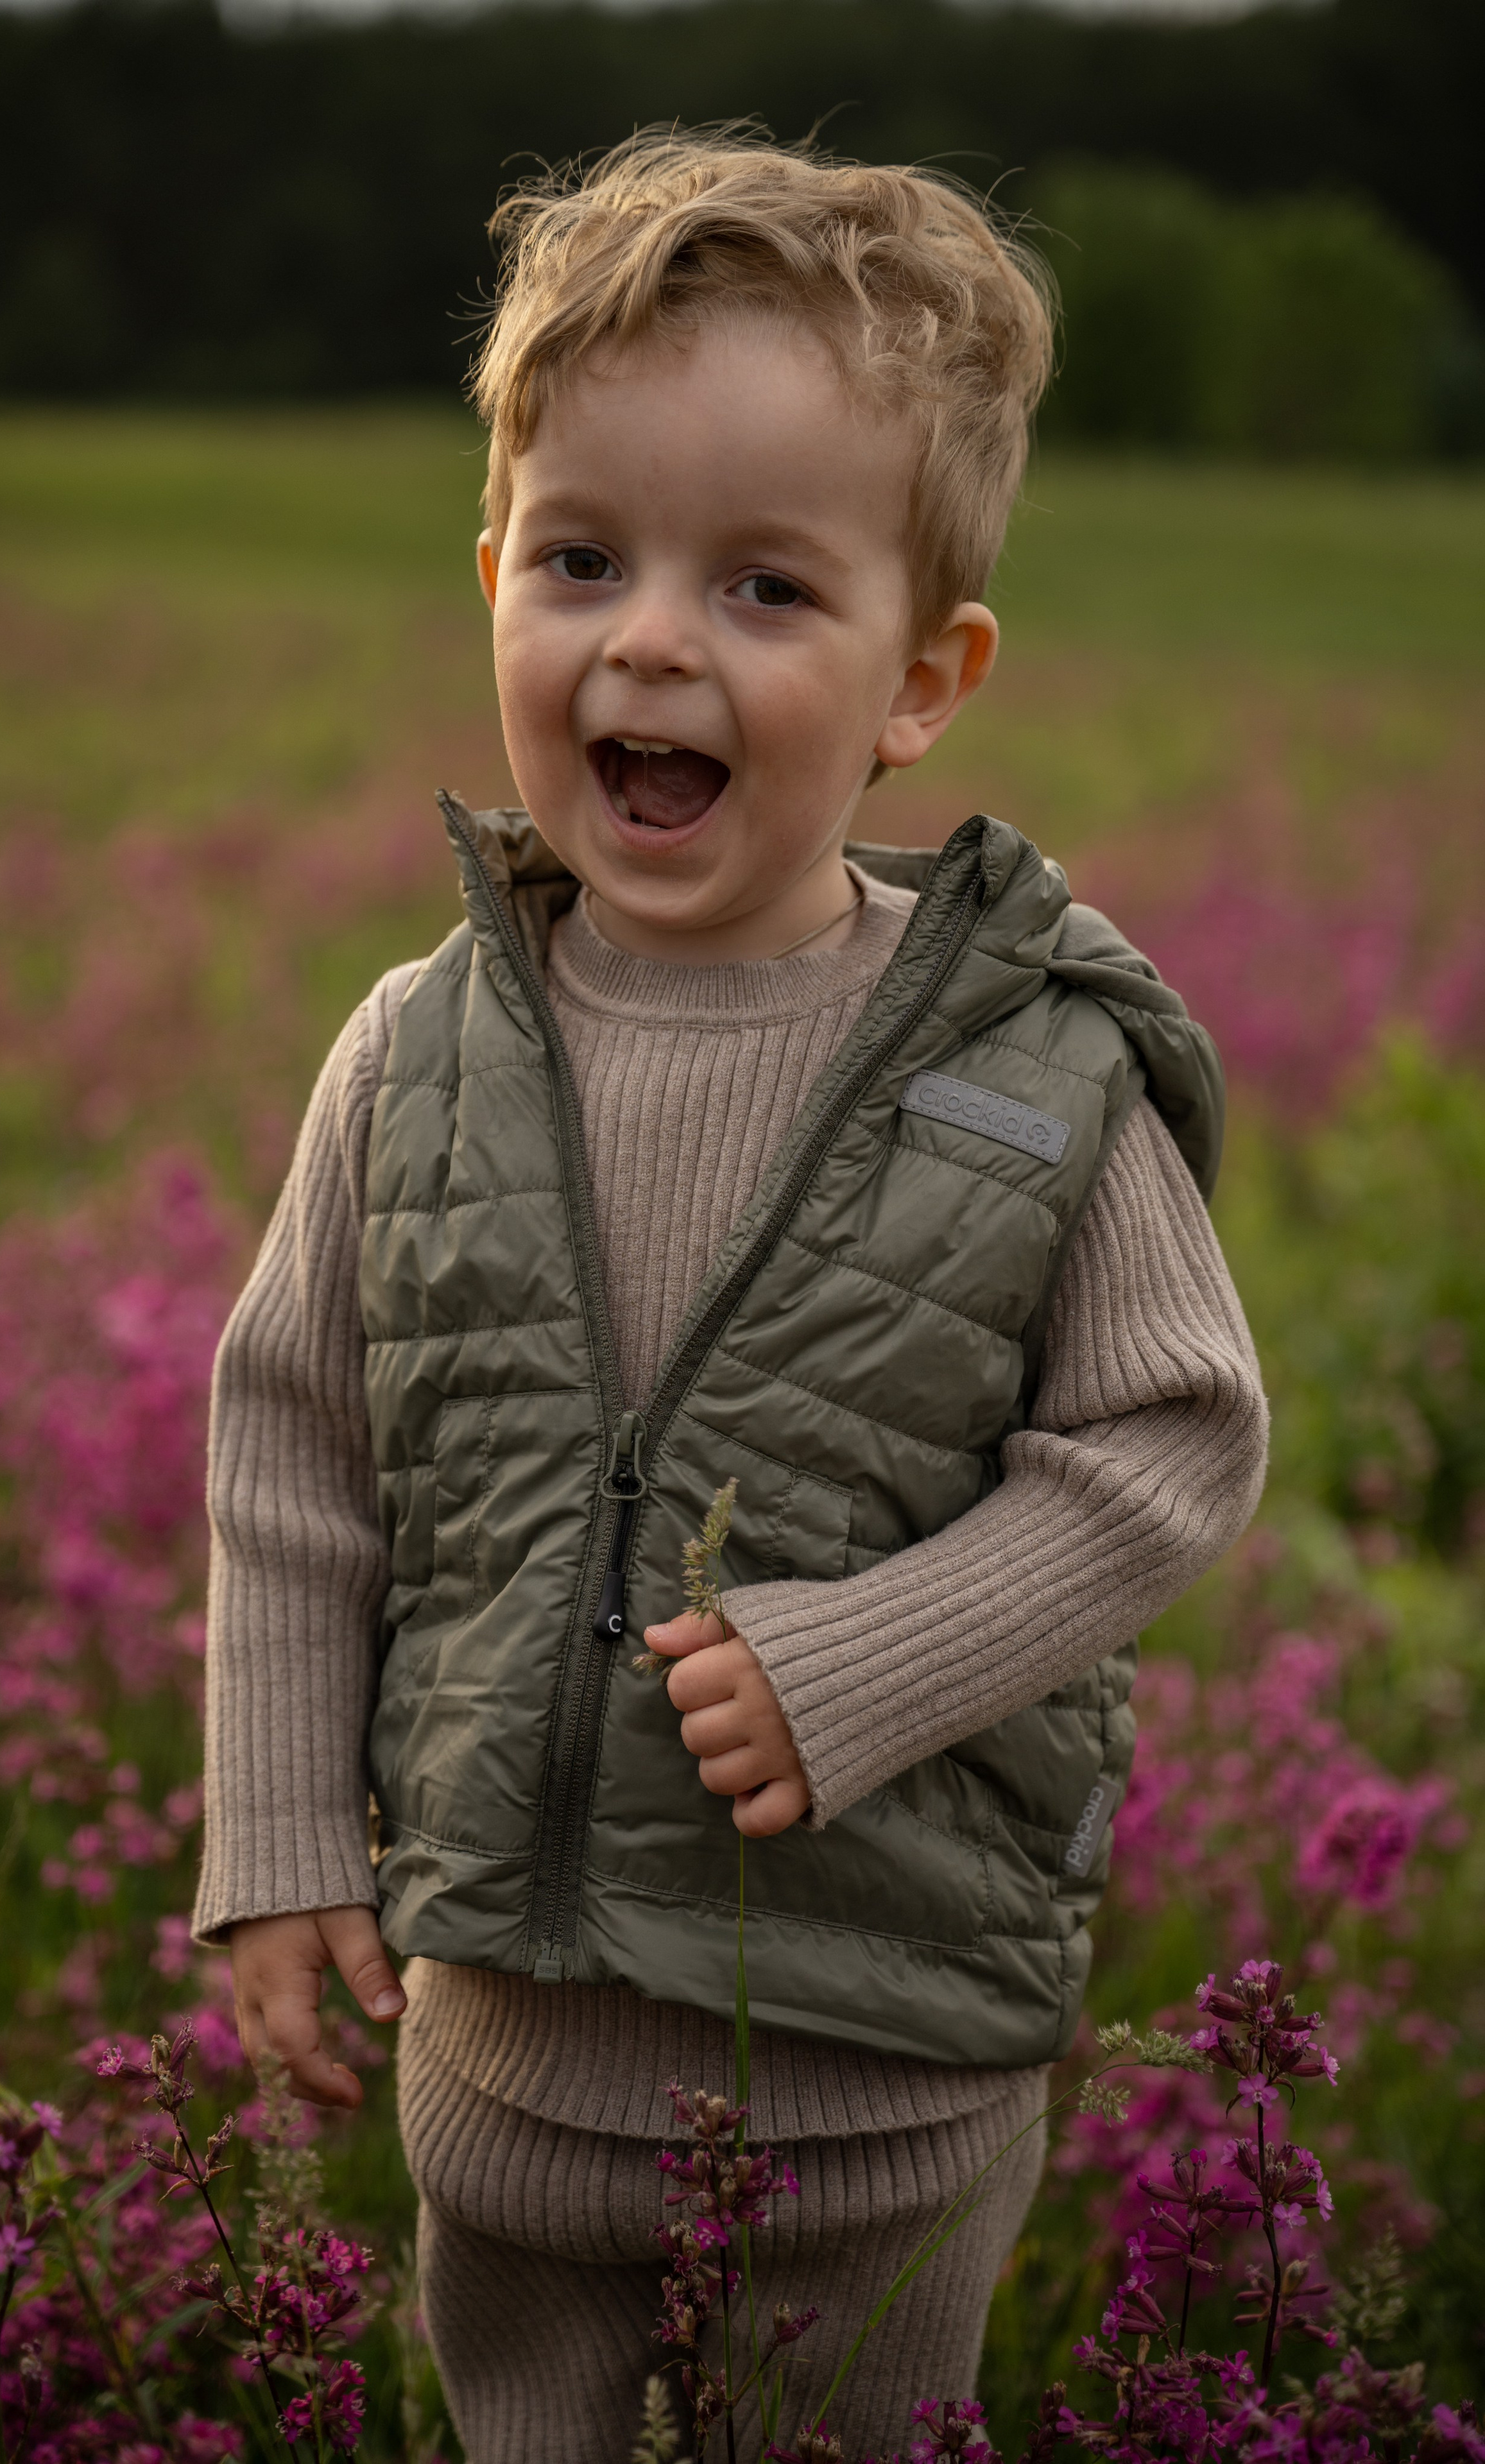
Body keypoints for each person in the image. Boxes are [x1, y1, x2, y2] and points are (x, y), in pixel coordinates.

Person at [194, 131, 1268, 2460]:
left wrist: (869, 1655)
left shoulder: (1030, 1068)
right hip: (498, 2076)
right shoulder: (414, 1054)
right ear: (491, 581)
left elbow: (1174, 1443)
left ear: (925, 679)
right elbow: (295, 1465)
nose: (652, 639)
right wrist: (278, 1840)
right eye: (582, 559)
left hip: (877, 2097)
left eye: (767, 590)